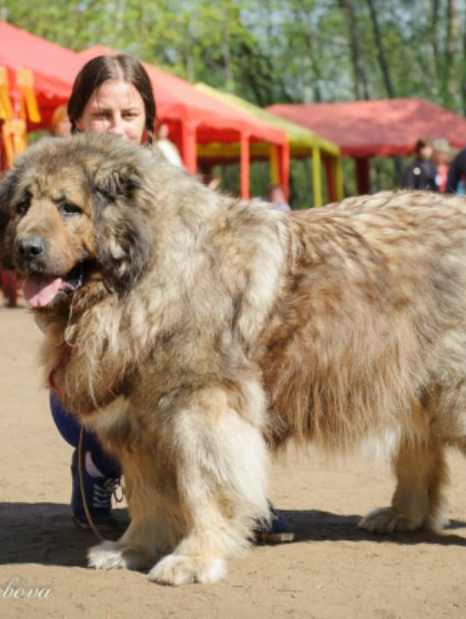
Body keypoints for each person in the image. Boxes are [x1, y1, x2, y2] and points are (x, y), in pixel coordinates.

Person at [54, 53, 295, 542]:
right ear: (77, 119)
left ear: (147, 125)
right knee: (108, 388)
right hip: (98, 365)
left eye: (128, 115)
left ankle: (235, 491)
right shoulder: (51, 188)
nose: (115, 128)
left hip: (184, 356)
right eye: (102, 115)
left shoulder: (179, 190)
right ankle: (98, 471)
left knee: (223, 377)